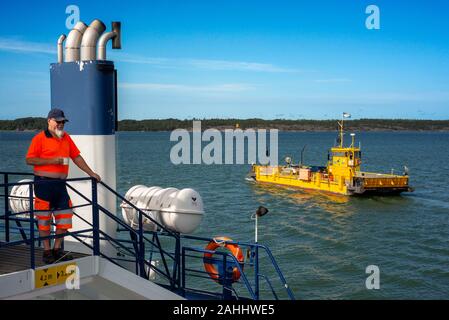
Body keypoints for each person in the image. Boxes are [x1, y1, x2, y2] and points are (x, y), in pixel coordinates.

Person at [26, 108, 101, 264]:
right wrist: (53, 161)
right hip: (44, 184)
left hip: (60, 185)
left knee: (65, 217)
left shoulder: (66, 138)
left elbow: (76, 157)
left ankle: (56, 248)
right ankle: (47, 251)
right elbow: (30, 160)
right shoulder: (39, 138)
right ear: (49, 121)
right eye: (58, 121)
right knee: (44, 218)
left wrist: (91, 173)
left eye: (63, 122)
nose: (61, 124)